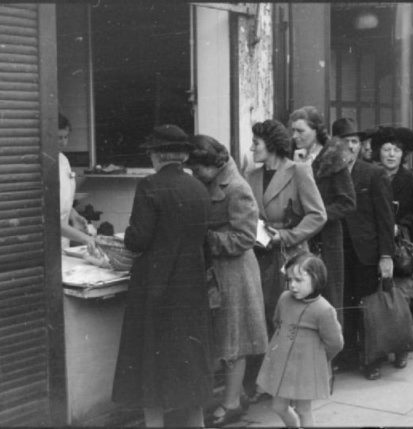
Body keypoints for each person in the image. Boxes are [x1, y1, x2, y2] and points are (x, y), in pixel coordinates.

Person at [111, 125, 213, 427]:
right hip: (191, 287)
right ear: (182, 155)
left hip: (155, 288)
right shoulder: (198, 187)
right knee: (190, 361)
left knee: (150, 366)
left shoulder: (149, 186)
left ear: (156, 155)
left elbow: (138, 240)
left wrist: (125, 236)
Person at [186, 135, 268, 427]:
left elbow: (246, 237)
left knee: (235, 341)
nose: (194, 174)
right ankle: (235, 397)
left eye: (198, 169)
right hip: (217, 272)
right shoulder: (213, 183)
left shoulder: (237, 188)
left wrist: (206, 239)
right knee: (223, 339)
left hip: (235, 274)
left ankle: (232, 403)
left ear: (213, 163)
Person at [244, 119, 327, 402]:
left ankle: (290, 383)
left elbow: (318, 214)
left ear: (272, 145)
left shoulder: (299, 171)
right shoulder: (251, 175)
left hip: (289, 255)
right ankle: (266, 382)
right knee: (263, 317)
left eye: (256, 143)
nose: (251, 147)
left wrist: (287, 235)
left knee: (289, 318)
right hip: (259, 254)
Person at [334, 117, 395, 380]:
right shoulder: (329, 174)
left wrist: (386, 255)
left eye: (355, 142)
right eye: (346, 141)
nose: (351, 147)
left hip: (367, 253)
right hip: (339, 252)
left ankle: (373, 359)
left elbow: (385, 218)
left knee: (368, 307)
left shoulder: (373, 173)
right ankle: (348, 354)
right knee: (344, 305)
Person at [256, 252, 343, 427]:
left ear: (316, 280)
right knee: (279, 406)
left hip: (306, 369)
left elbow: (335, 343)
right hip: (282, 365)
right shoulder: (284, 299)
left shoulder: (324, 310)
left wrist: (318, 359)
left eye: (298, 280)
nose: (292, 285)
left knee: (304, 410)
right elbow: (277, 322)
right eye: (289, 280)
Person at [288, 106, 356, 326]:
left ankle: (330, 355)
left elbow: (347, 203)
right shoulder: (294, 158)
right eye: (293, 131)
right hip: (300, 238)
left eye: (300, 131)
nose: (295, 136)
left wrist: (317, 216)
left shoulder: (333, 158)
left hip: (326, 240)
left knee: (328, 297)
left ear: (316, 130)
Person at [370, 126, 413, 368]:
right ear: (379, 153)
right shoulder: (371, 176)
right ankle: (380, 346)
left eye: (396, 150)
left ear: (403, 154)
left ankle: (401, 347)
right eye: (386, 149)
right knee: (377, 296)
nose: (391, 154)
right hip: (374, 245)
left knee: (400, 297)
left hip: (401, 249)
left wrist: (399, 226)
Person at [58, 113, 96, 250]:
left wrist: (74, 215)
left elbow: (62, 202)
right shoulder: (43, 164)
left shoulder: (63, 160)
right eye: (58, 137)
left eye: (66, 137)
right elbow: (51, 218)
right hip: (48, 239)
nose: (63, 142)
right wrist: (85, 238)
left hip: (63, 237)